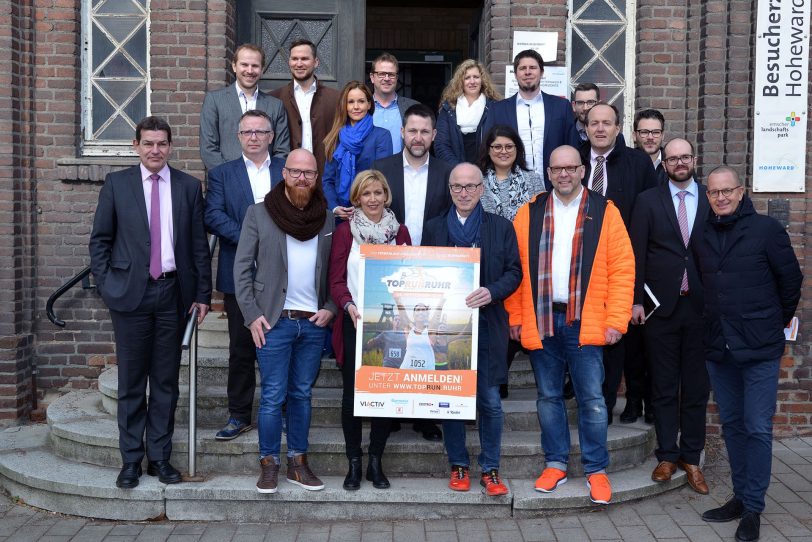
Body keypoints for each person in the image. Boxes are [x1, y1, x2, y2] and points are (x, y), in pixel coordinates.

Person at [505, 144, 635, 505]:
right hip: (542, 318)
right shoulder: (529, 212)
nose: (563, 174)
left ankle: (596, 470)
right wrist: (515, 317)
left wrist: (616, 320)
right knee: (548, 398)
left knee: (592, 399)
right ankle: (556, 463)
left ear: (582, 171)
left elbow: (623, 269)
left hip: (586, 319)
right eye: (556, 169)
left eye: (570, 168)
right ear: (549, 173)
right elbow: (514, 269)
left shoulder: (605, 211)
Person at [89, 116, 212, 489]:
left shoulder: (189, 187)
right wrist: (109, 285)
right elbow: (100, 241)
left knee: (165, 381)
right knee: (130, 382)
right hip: (130, 295)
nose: (155, 150)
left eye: (161, 144)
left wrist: (202, 295)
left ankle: (159, 458)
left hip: (173, 295)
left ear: (170, 147)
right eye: (148, 143)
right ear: (136, 145)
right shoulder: (117, 185)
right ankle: (130, 460)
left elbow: (198, 247)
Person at [696, 166, 802, 542]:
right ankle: (740, 497)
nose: (721, 197)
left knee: (757, 426)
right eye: (714, 193)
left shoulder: (766, 231)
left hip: (759, 347)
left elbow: (791, 282)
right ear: (707, 196)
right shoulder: (703, 233)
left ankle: (754, 508)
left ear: (741, 192)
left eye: (728, 191)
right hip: (719, 346)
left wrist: (772, 323)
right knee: (734, 426)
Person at [234, 149, 337, 494]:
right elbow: (241, 268)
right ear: (284, 173)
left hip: (312, 322)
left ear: (316, 177)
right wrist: (252, 316)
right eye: (295, 171)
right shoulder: (259, 213)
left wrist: (331, 307)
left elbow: (338, 269)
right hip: (274, 321)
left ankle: (298, 462)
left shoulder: (326, 218)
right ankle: (269, 463)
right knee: (273, 394)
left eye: (308, 173)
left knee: (302, 394)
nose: (301, 178)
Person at [423, 162, 521, 497]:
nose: (464, 193)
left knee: (490, 401)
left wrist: (492, 291)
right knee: (451, 400)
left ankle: (491, 467)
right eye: (457, 187)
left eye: (470, 186)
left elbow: (514, 272)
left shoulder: (501, 227)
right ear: (450, 190)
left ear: (482, 189)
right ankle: (459, 464)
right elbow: (423, 273)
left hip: (489, 325)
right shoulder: (434, 228)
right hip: (447, 329)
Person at [629, 138, 710, 494]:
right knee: (662, 386)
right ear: (663, 163)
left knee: (696, 387)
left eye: (685, 156)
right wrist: (636, 301)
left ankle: (691, 458)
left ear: (695, 160)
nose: (679, 162)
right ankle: (666, 454)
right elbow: (637, 254)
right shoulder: (647, 201)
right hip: (660, 309)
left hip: (702, 308)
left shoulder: (712, 197)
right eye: (673, 158)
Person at [203, 110, 284, 441]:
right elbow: (213, 215)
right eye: (247, 132)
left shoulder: (285, 169)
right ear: (238, 137)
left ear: (270, 136)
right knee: (241, 348)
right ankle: (239, 414)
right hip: (239, 273)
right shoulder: (222, 174)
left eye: (260, 131)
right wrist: (253, 238)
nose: (253, 137)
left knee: (279, 345)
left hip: (283, 276)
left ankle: (279, 412)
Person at [328, 169, 410, 491]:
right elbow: (335, 280)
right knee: (353, 394)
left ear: (386, 195)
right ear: (357, 198)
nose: (373, 199)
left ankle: (376, 460)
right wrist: (347, 305)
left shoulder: (399, 232)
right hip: (355, 321)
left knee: (386, 392)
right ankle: (354, 462)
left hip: (389, 324)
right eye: (366, 194)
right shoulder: (345, 232)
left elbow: (408, 277)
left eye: (378, 193)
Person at [580, 102, 657, 423]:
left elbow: (652, 213)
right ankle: (589, 399)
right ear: (585, 128)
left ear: (617, 128)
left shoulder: (638, 163)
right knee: (582, 335)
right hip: (577, 263)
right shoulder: (571, 161)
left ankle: (611, 402)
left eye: (606, 123)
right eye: (594, 123)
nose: (600, 128)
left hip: (620, 261)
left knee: (616, 337)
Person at [483, 49, 578, 188]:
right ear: (515, 74)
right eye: (522, 68)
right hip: (511, 189)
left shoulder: (561, 107)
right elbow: (487, 149)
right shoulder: (498, 110)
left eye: (533, 67)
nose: (528, 72)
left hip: (555, 186)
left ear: (542, 72)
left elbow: (572, 147)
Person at [373, 104, 453, 247]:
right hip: (389, 258)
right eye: (412, 131)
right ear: (402, 132)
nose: (418, 138)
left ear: (434, 135)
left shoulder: (447, 173)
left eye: (424, 132)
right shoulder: (381, 170)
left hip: (432, 257)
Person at [199, 44, 289, 170]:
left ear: (262, 69)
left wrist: (268, 176)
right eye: (244, 65)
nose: (250, 71)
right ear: (234, 66)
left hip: (265, 183)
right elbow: (208, 148)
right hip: (226, 182)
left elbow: (282, 151)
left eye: (255, 66)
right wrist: (228, 176)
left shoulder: (276, 105)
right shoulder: (214, 100)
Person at [270, 39, 340, 180]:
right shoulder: (275, 98)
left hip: (326, 178)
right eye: (294, 59)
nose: (299, 63)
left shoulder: (336, 98)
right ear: (289, 62)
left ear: (316, 62)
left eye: (305, 59)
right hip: (288, 179)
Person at [323, 81, 393, 220]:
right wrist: (335, 207)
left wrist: (361, 207)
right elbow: (327, 180)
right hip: (340, 216)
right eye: (351, 102)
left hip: (369, 214)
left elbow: (381, 179)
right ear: (345, 106)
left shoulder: (381, 136)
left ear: (369, 104)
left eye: (361, 101)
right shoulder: (334, 137)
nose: (356, 107)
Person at [435, 59, 502, 166]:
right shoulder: (448, 109)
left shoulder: (494, 107)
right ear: (460, 81)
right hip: (455, 172)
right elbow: (441, 145)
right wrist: (459, 169)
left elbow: (501, 141)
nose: (472, 81)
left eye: (476, 77)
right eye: (467, 78)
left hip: (487, 171)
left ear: (482, 80)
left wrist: (485, 169)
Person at [477, 124, 546, 222]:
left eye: (509, 147)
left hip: (525, 236)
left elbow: (543, 215)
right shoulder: (478, 181)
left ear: (517, 149)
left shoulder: (533, 179)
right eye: (497, 147)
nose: (504, 151)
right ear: (488, 150)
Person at [369, 52, 419, 153]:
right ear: (372, 77)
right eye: (382, 74)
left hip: (402, 168)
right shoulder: (362, 108)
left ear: (396, 78)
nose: (386, 78)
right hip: (369, 168)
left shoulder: (413, 107)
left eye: (391, 74)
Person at [633, 109, 668, 185]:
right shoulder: (624, 164)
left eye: (656, 132)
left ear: (663, 135)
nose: (650, 137)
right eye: (644, 132)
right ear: (634, 136)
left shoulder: (674, 163)